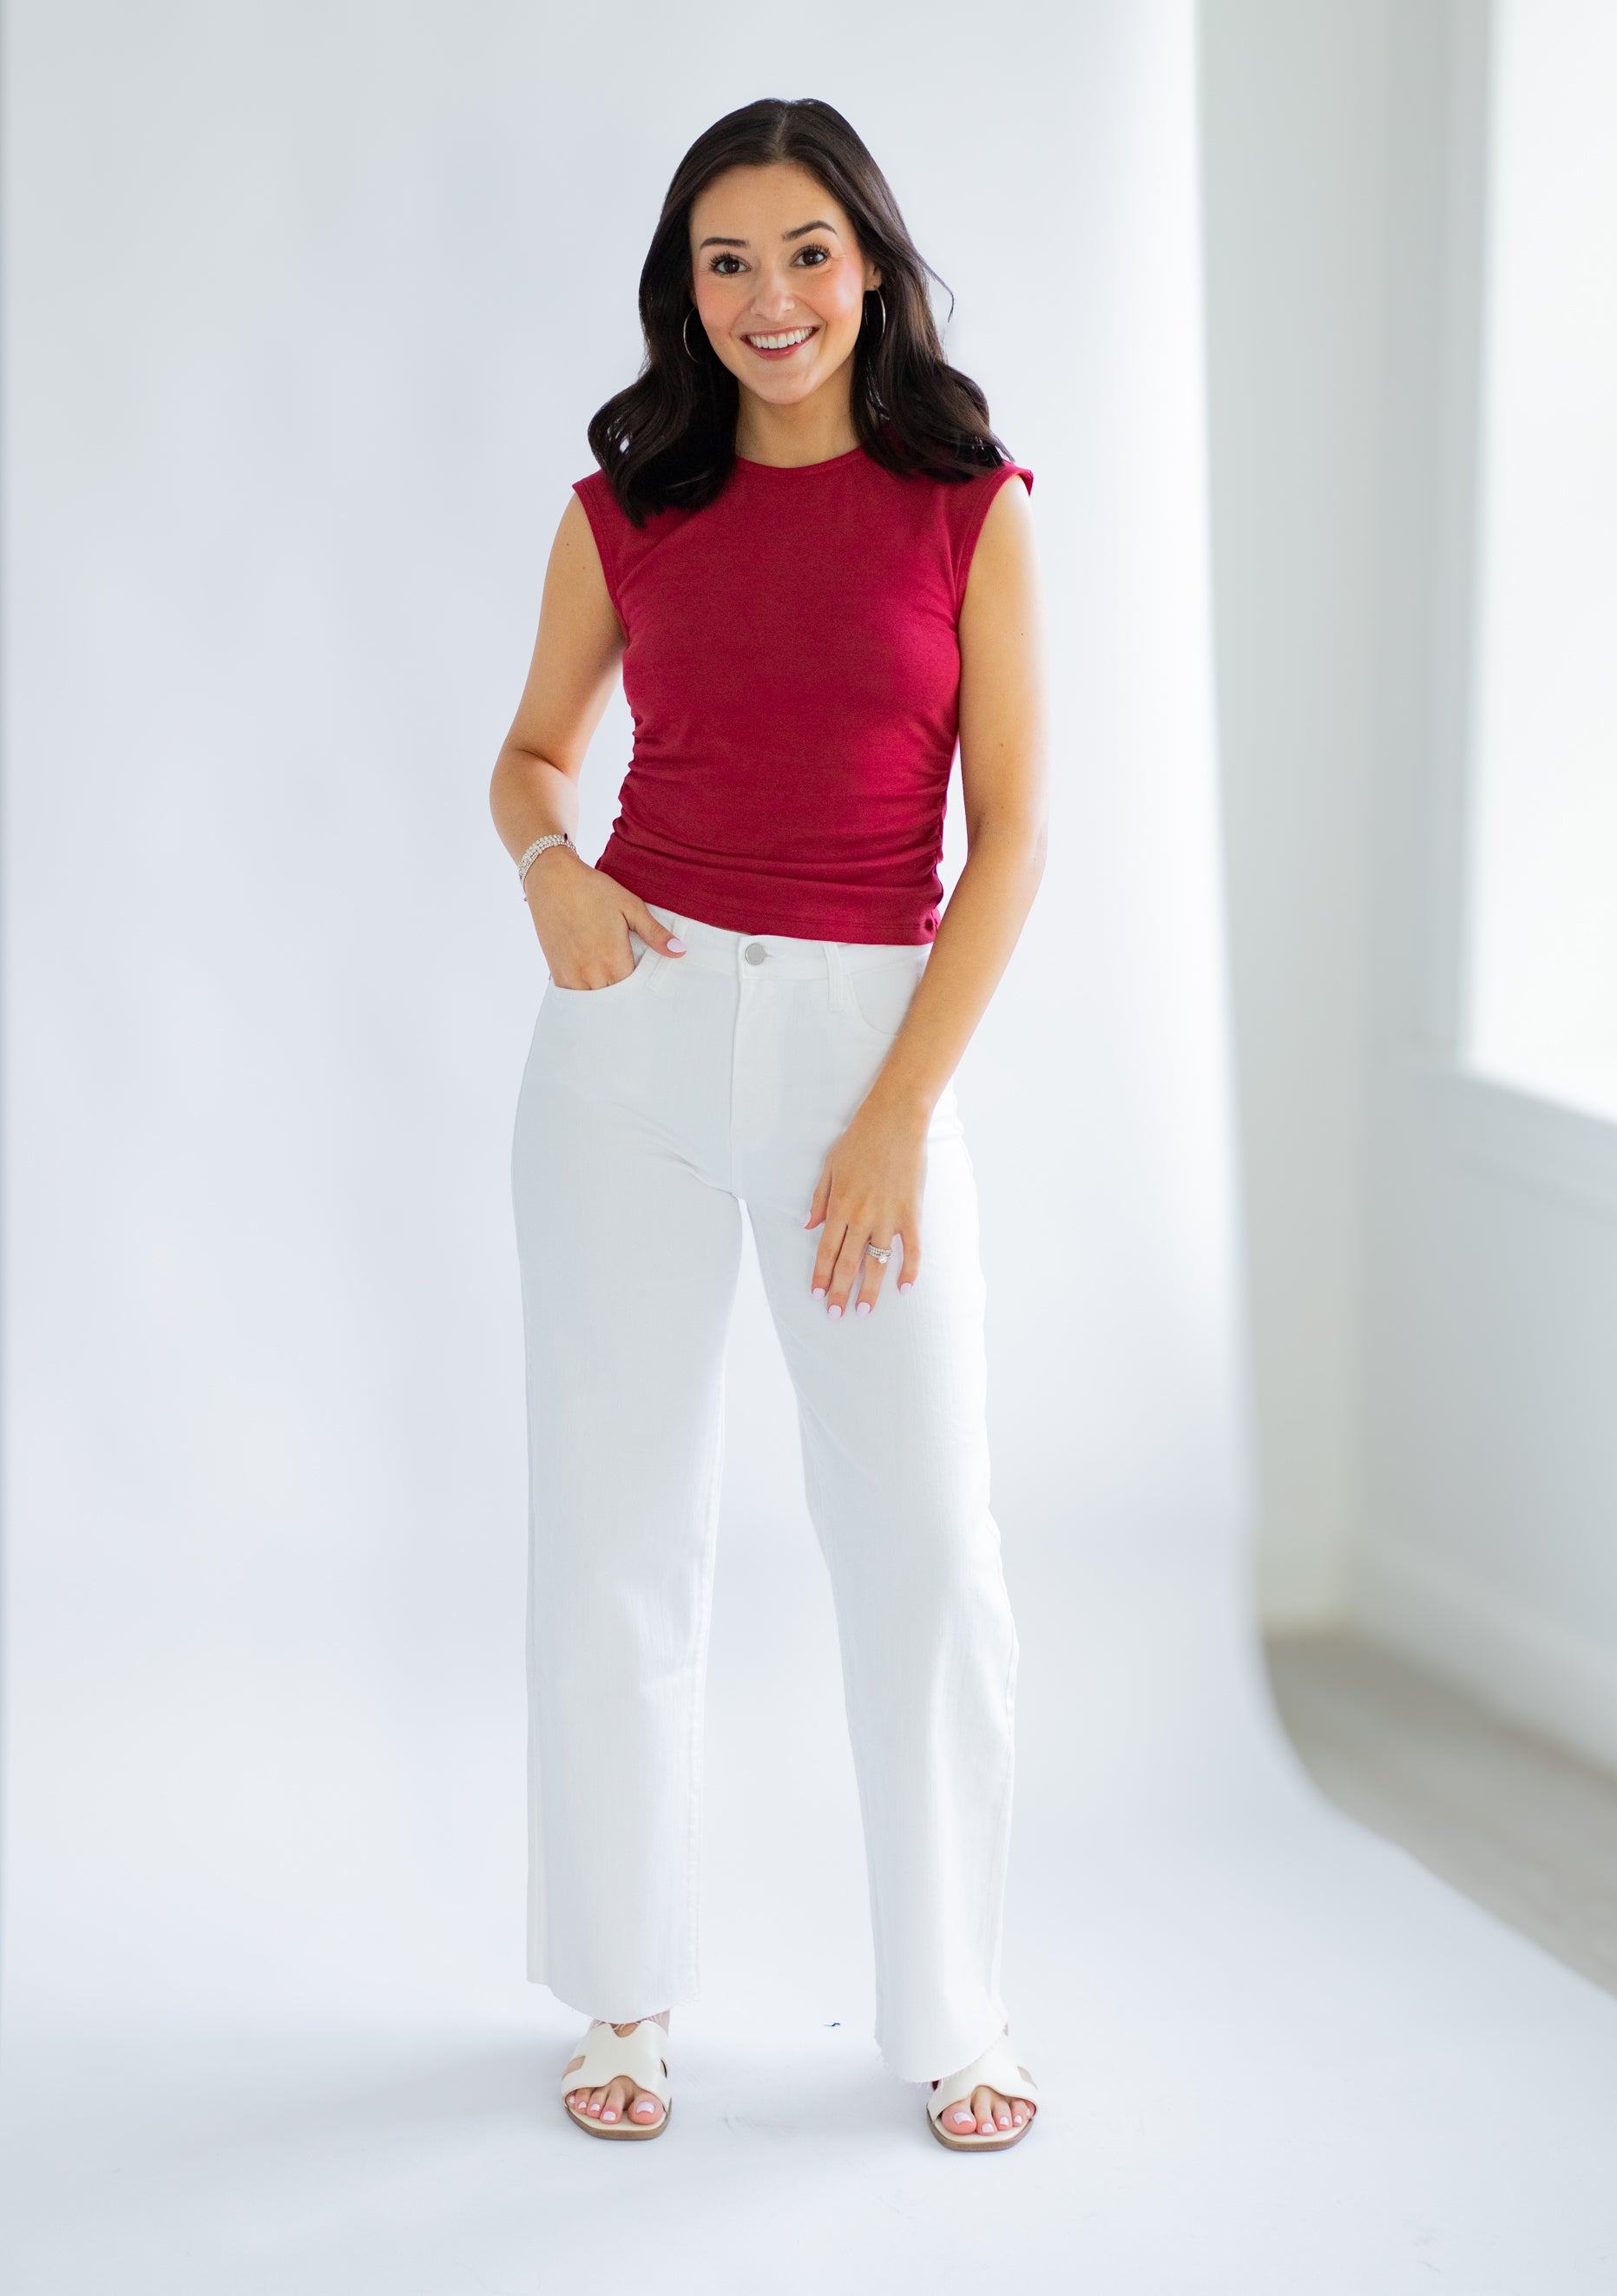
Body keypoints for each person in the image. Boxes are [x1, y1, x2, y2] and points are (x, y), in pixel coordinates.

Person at [490, 95, 1048, 2153]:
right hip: (629, 1043)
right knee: (616, 1520)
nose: (771, 297)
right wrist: (549, 870)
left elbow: (1013, 840)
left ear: (871, 266)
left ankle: (959, 2015)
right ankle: (621, 1995)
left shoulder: (968, 508)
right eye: (727, 261)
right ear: (687, 289)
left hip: (860, 1050)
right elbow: (531, 755)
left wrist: (898, 1115)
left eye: (807, 251)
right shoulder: (627, 503)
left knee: (927, 1538)